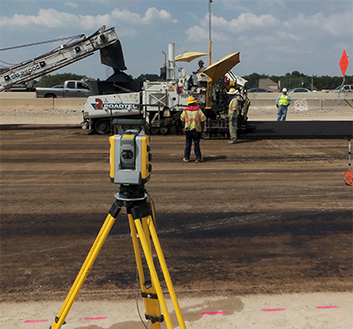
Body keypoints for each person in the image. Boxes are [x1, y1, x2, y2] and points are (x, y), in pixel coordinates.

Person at [180, 96, 206, 162]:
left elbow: (182, 119)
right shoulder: (198, 110)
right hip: (197, 130)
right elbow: (203, 120)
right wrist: (202, 129)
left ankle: (186, 158)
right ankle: (198, 158)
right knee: (196, 144)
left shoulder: (185, 111)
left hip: (188, 130)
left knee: (188, 144)